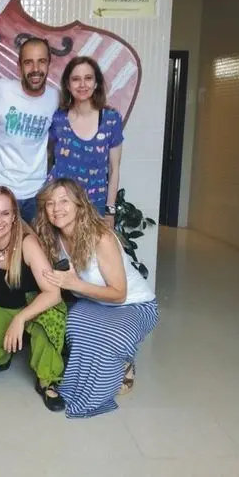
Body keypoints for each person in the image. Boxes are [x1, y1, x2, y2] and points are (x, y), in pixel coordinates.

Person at [35, 178, 159, 418]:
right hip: (94, 302)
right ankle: (109, 365)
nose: (57, 208)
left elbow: (119, 294)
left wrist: (74, 284)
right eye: (50, 203)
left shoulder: (101, 238)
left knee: (111, 336)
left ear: (79, 205)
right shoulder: (53, 237)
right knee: (75, 325)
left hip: (133, 304)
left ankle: (123, 365)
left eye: (64, 201)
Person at [0, 186, 67, 412]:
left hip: (33, 305)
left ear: (14, 217)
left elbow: (53, 293)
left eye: (5, 213)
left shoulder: (27, 243)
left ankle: (47, 380)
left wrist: (20, 319)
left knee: (51, 315)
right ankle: (8, 351)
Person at [0, 37, 59, 225]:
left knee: (35, 244)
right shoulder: (1, 89)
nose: (35, 69)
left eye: (41, 61)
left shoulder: (55, 98)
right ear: (19, 66)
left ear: (49, 64)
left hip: (36, 194)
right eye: (28, 62)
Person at [47, 56, 123, 226]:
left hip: (95, 207)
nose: (82, 84)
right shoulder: (58, 119)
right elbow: (48, 158)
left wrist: (110, 210)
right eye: (76, 79)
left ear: (96, 83)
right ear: (68, 85)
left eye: (88, 78)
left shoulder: (111, 119)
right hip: (60, 209)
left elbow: (114, 169)